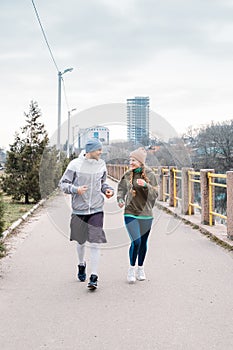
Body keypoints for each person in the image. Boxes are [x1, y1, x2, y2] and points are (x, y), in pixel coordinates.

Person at [60, 138, 114, 290]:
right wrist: (75, 190)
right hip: (79, 209)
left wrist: (108, 190)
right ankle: (81, 264)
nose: (101, 152)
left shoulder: (101, 165)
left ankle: (94, 276)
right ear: (90, 151)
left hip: (97, 209)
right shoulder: (75, 165)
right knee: (81, 242)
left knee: (95, 242)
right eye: (98, 150)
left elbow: (103, 183)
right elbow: (63, 184)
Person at [117, 147, 158, 283]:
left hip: (146, 214)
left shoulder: (150, 175)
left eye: (133, 160)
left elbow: (155, 194)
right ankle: (131, 269)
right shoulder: (128, 174)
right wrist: (120, 199)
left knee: (144, 243)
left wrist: (146, 185)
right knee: (136, 241)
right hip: (130, 212)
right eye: (130, 160)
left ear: (141, 162)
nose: (131, 162)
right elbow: (121, 189)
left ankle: (141, 268)